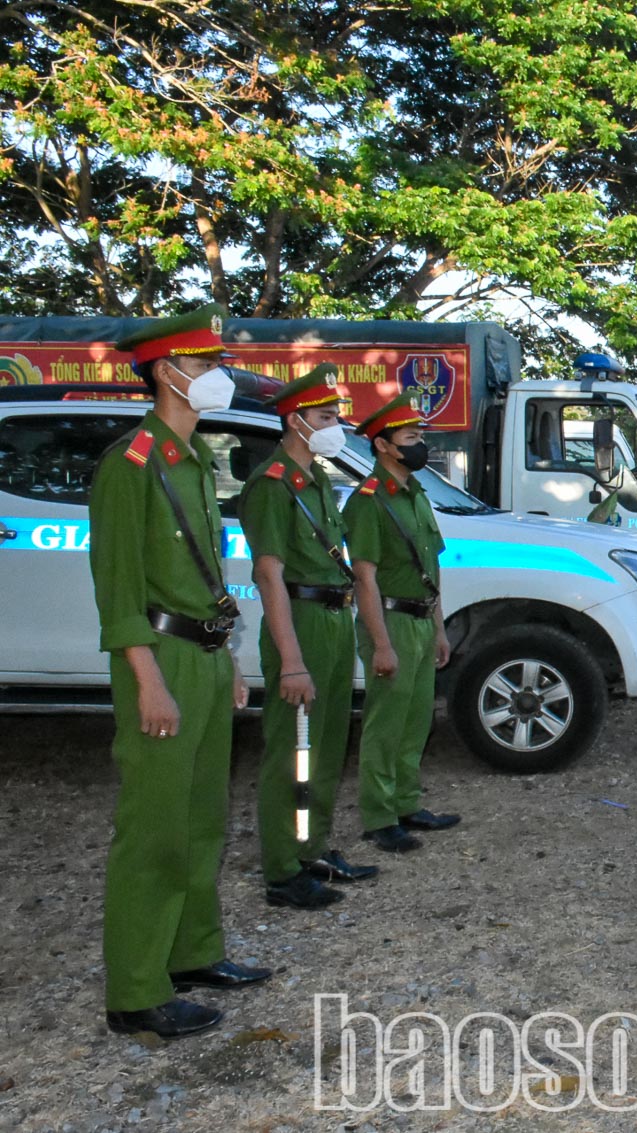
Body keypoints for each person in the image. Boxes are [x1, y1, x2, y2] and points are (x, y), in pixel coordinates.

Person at [89, 304, 270, 1039]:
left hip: (200, 656)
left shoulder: (192, 462)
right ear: (167, 372)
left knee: (202, 820)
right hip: (158, 659)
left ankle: (193, 952)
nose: (218, 378)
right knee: (155, 828)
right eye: (205, 366)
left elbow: (204, 578)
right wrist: (147, 678)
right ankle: (135, 990)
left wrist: (225, 657)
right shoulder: (130, 464)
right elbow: (119, 587)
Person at [237, 365, 377, 909]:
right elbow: (268, 573)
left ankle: (311, 846)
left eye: (336, 416)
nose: (335, 425)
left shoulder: (315, 479)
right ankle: (282, 868)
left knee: (326, 746)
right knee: (292, 749)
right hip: (300, 622)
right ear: (295, 421)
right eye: (324, 417)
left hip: (333, 619)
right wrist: (291, 659)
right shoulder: (271, 485)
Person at [342, 395, 459, 853]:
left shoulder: (416, 495)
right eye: (410, 438)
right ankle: (379, 815)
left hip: (419, 619)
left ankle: (407, 803)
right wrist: (380, 642)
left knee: (415, 719)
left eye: (419, 437)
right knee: (385, 722)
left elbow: (430, 568)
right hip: (388, 619)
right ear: (384, 447)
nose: (419, 445)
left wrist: (439, 627)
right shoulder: (369, 502)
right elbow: (365, 578)